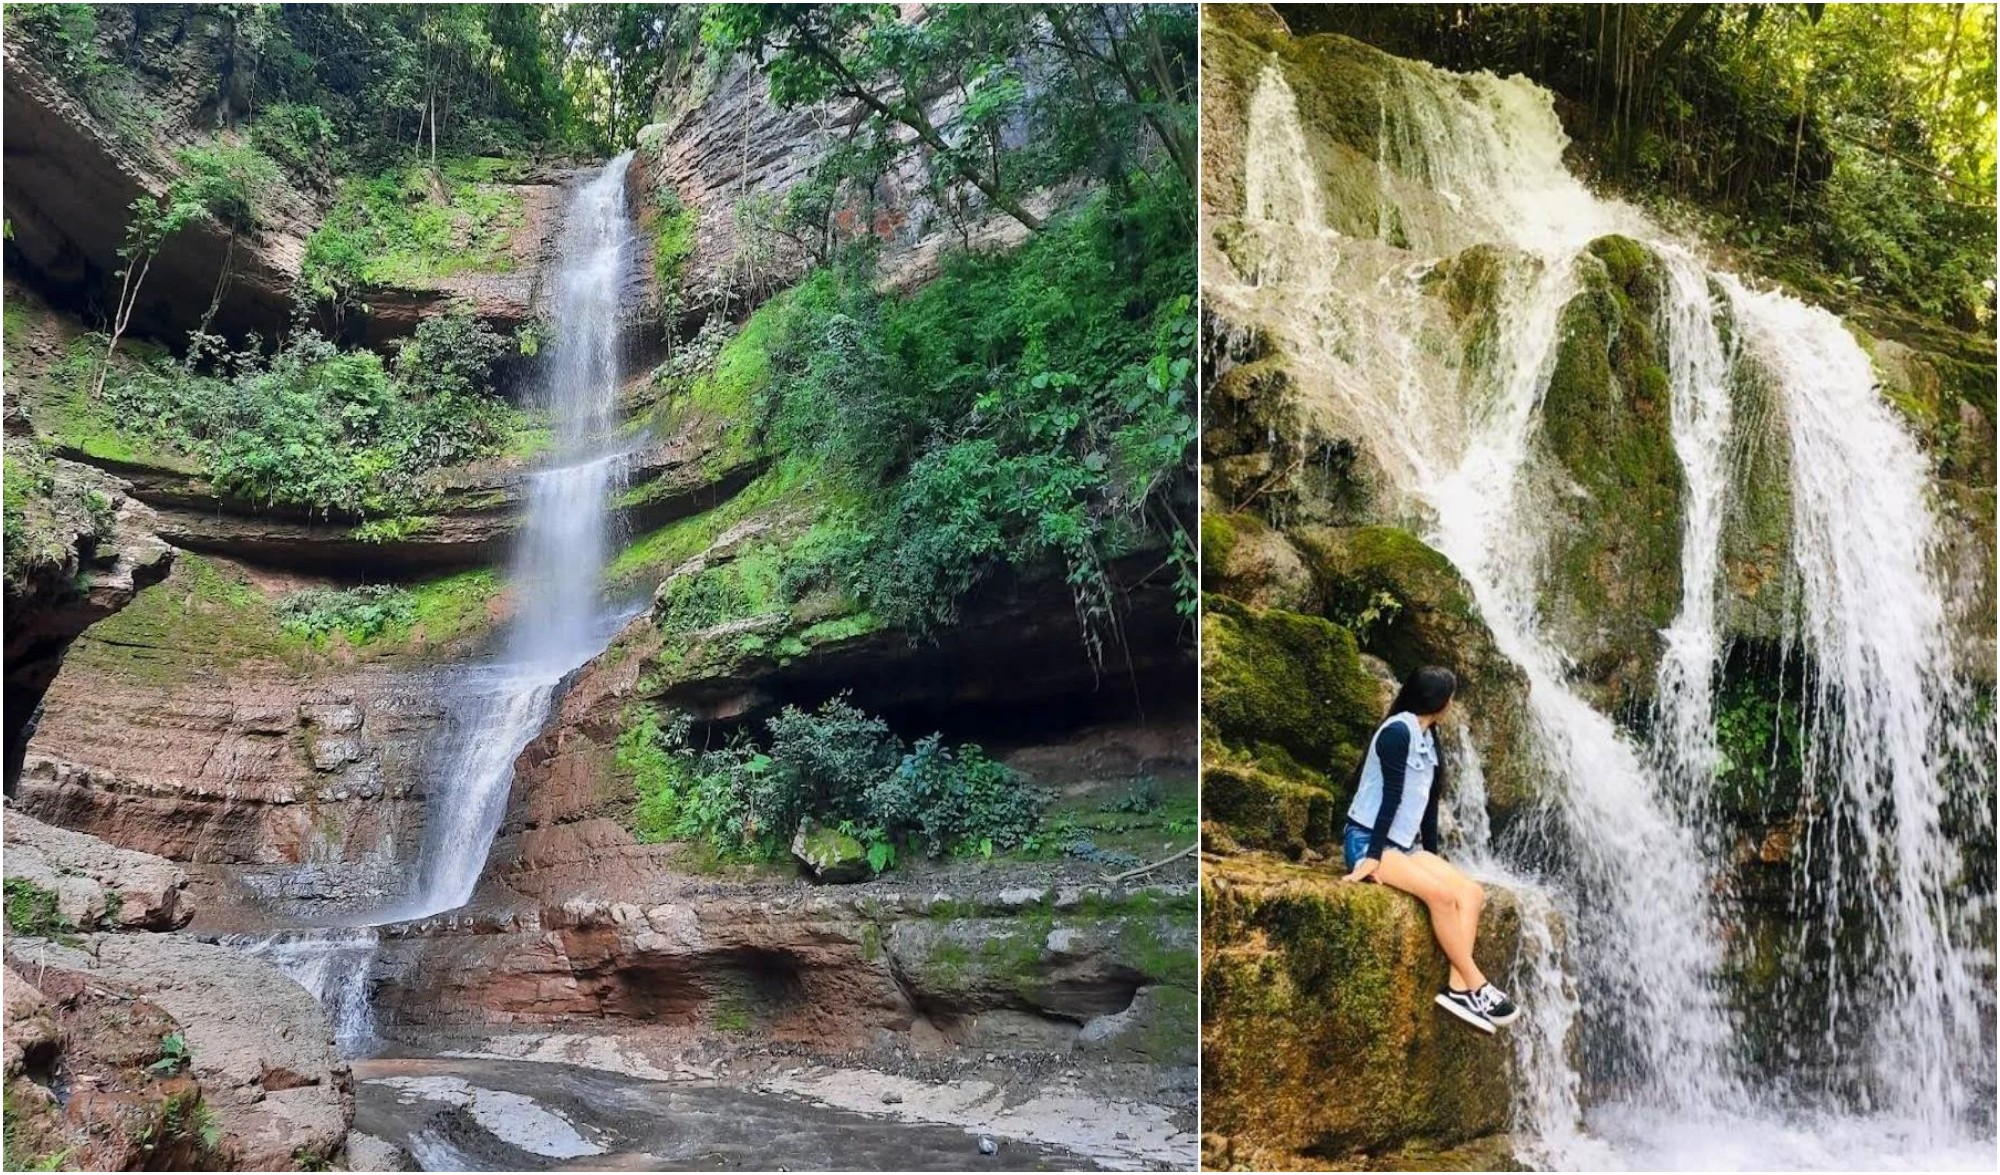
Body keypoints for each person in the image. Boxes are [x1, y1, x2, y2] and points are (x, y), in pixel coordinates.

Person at [1341, 665, 1520, 1033]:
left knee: (1470, 893)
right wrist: (1370, 857)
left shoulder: (1428, 734)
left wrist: (1431, 855)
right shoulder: (1396, 734)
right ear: (1439, 701)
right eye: (1450, 696)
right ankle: (1478, 986)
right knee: (1440, 896)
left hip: (1404, 846)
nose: (1452, 702)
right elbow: (1390, 798)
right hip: (1367, 839)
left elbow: (1427, 803)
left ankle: (1457, 991)